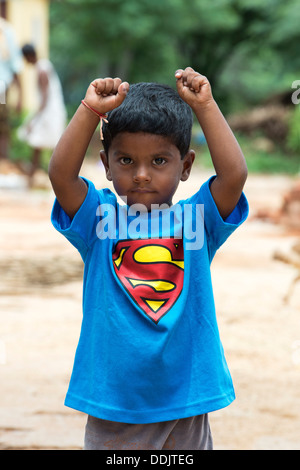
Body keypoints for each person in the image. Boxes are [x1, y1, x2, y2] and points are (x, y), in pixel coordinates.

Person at [49, 67, 249, 450]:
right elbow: (61, 174)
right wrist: (89, 111)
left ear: (186, 166)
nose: (141, 175)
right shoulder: (98, 219)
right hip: (116, 399)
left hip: (186, 394)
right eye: (125, 161)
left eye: (159, 161)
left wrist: (205, 106)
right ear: (105, 165)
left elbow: (234, 175)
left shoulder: (197, 219)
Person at [17, 44, 66, 178]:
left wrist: (35, 117)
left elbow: (45, 97)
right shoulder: (44, 66)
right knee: (40, 144)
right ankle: (36, 176)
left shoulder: (42, 69)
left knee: (43, 145)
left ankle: (51, 176)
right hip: (49, 110)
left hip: (49, 112)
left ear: (28, 56)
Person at [0, 17, 22, 160]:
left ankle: (3, 160)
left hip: (2, 88)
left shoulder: (5, 30)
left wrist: (20, 95)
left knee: (2, 126)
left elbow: (15, 66)